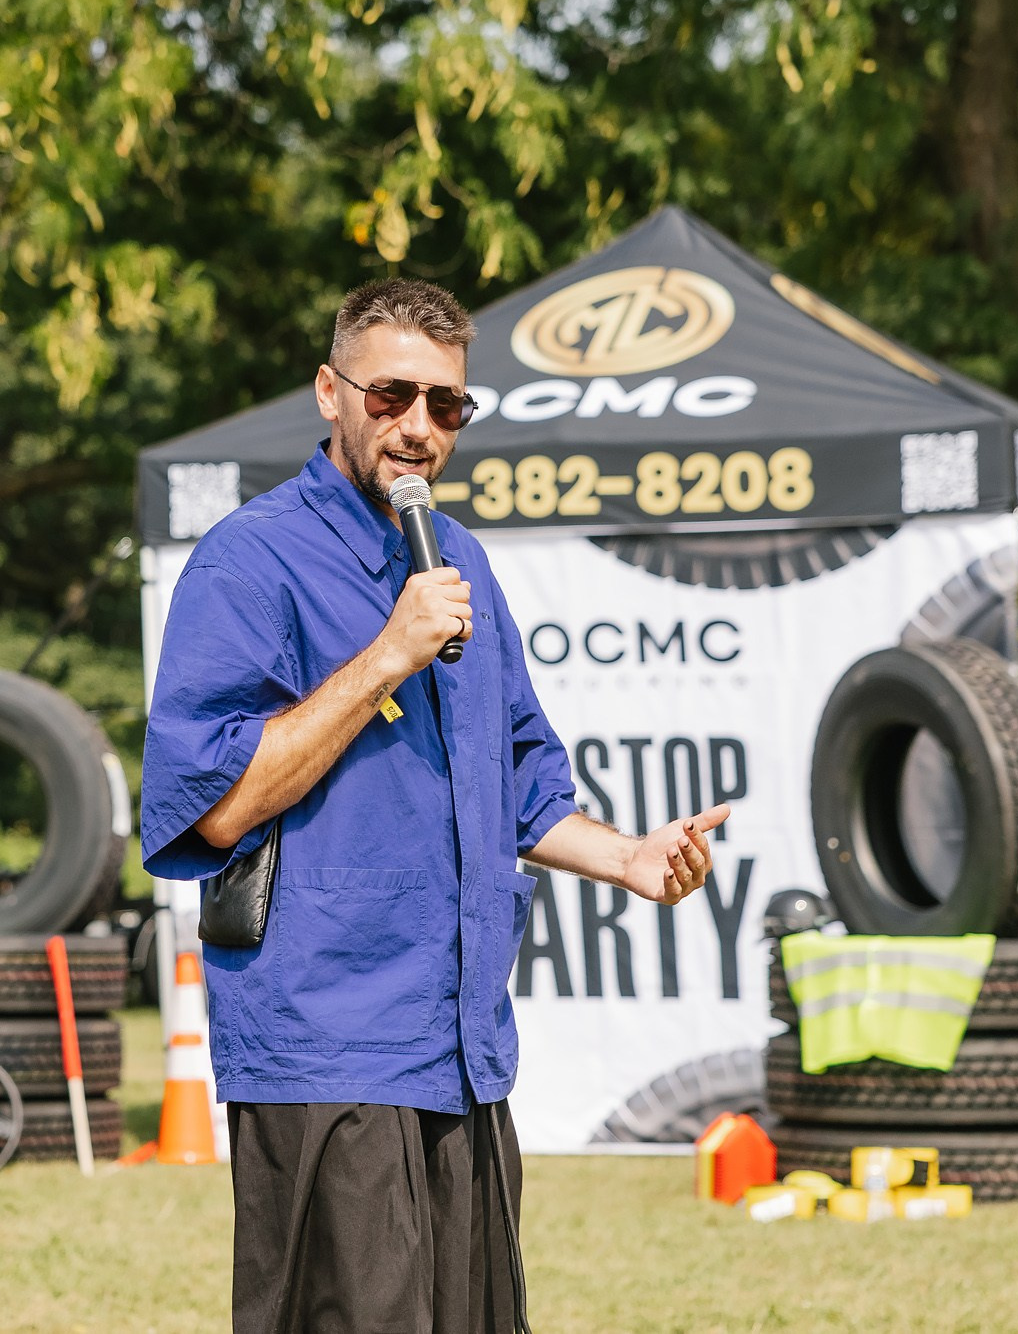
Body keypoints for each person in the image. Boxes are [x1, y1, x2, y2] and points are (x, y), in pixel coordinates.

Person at [143, 278, 727, 1334]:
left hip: (457, 1052)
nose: (418, 428)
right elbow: (216, 807)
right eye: (391, 397)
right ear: (330, 393)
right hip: (325, 1047)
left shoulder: (461, 563)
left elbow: (522, 779)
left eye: (446, 406)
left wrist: (632, 860)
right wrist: (387, 655)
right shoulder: (251, 560)